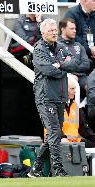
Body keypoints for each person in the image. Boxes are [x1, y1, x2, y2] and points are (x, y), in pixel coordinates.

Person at [28, 19, 80, 177]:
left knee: (55, 134)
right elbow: (48, 70)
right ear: (43, 32)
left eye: (55, 30)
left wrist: (60, 65)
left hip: (59, 96)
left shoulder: (61, 47)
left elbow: (76, 62)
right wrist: (62, 66)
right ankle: (58, 169)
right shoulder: (39, 48)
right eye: (50, 30)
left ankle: (36, 169)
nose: (54, 32)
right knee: (55, 132)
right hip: (45, 96)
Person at [60, 77, 95, 148]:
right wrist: (62, 138)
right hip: (58, 141)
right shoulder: (55, 106)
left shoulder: (75, 106)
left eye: (75, 88)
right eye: (72, 89)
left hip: (74, 141)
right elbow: (52, 127)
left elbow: (82, 127)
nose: (75, 91)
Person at [58, 18, 90, 95]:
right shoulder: (57, 45)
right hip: (66, 76)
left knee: (93, 86)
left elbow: (86, 64)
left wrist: (70, 65)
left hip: (82, 77)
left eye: (75, 28)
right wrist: (77, 63)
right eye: (71, 29)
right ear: (63, 29)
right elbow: (59, 65)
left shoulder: (78, 45)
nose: (74, 31)